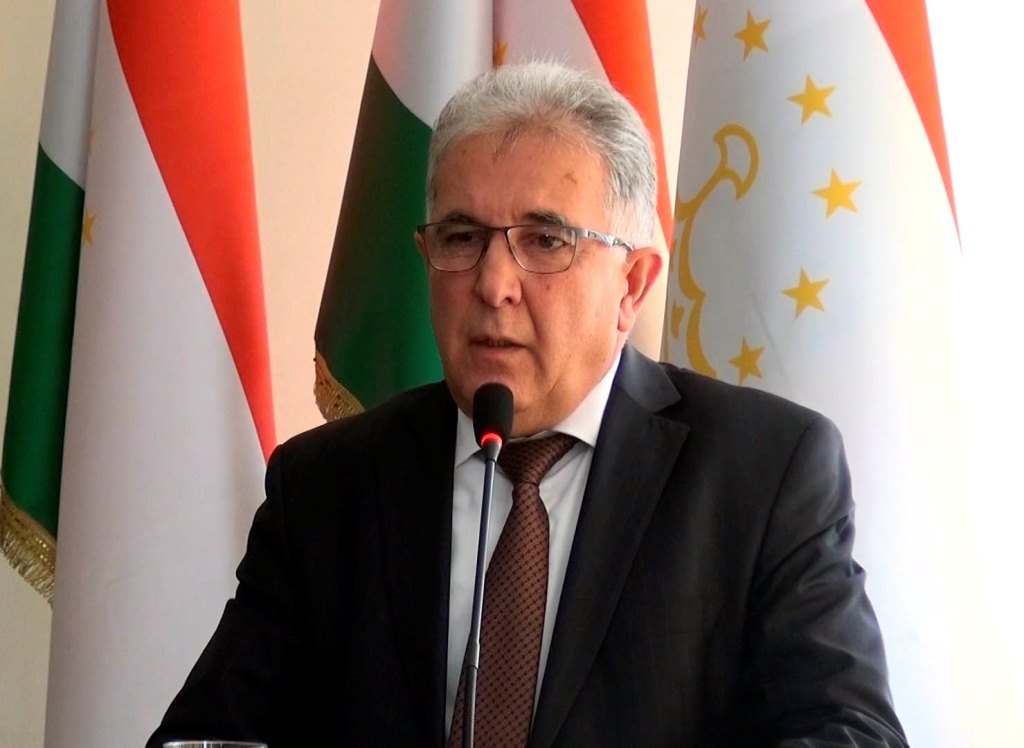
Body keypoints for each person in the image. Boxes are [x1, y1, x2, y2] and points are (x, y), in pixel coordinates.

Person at [149, 61, 906, 746]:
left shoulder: (764, 472)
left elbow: (851, 734)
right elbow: (206, 738)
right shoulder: (326, 487)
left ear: (633, 284)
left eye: (545, 240)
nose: (493, 284)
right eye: (461, 236)